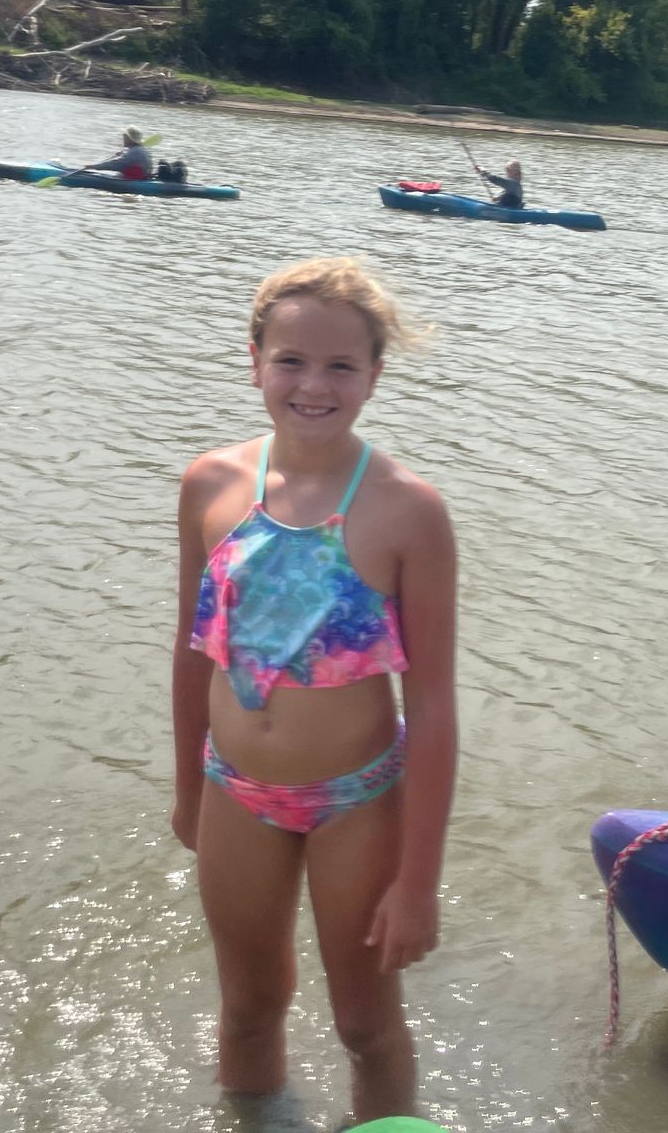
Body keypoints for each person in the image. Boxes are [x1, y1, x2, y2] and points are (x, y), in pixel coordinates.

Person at [172, 256, 459, 1124]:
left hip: (357, 800)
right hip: (235, 791)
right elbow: (191, 655)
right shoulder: (211, 487)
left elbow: (435, 704)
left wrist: (418, 881)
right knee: (248, 1007)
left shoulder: (409, 510)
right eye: (291, 360)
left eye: (342, 366)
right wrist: (189, 789)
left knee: (365, 1025)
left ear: (374, 374)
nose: (314, 385)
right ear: (254, 358)